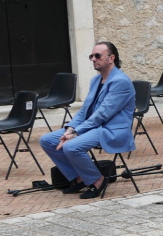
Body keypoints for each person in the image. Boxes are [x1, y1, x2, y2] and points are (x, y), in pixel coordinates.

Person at [39, 41, 135, 200]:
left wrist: (76, 133)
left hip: (110, 130)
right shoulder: (96, 81)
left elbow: (102, 114)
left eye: (98, 56)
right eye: (92, 56)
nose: (93, 59)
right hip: (93, 128)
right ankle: (80, 178)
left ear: (111, 58)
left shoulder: (121, 81)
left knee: (71, 146)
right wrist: (70, 129)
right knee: (47, 140)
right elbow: (85, 110)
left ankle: (97, 180)